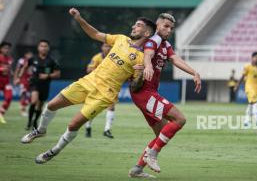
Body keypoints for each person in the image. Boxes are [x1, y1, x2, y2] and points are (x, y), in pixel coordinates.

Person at [21, 8, 156, 165]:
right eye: (134, 24)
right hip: (89, 81)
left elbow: (135, 87)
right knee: (51, 105)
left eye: (138, 25)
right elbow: (95, 34)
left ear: (146, 33)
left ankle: (53, 151)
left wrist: (139, 75)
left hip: (105, 94)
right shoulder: (121, 39)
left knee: (73, 124)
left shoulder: (142, 57)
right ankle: (40, 130)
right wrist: (79, 18)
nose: (133, 27)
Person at [128, 13, 202, 178]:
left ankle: (137, 169)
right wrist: (147, 66)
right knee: (180, 119)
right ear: (157, 25)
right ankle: (152, 155)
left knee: (162, 132)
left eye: (171, 28)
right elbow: (148, 54)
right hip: (144, 92)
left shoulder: (165, 44)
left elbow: (175, 60)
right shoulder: (153, 40)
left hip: (148, 92)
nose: (168, 30)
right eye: (165, 26)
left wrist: (194, 72)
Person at [21, 40, 61, 130]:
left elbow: (58, 74)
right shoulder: (33, 59)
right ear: (38, 47)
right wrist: (19, 77)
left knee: (40, 105)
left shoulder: (52, 61)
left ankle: (35, 121)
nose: (43, 48)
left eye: (45, 46)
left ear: (48, 48)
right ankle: (29, 122)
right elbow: (25, 67)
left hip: (45, 85)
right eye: (41, 46)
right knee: (34, 101)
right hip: (34, 83)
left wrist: (48, 75)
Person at [84, 43, 116, 139]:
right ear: (102, 48)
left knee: (112, 105)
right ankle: (88, 126)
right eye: (106, 46)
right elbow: (88, 70)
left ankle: (107, 129)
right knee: (94, 107)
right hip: (97, 85)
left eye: (110, 46)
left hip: (110, 86)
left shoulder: (115, 58)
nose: (108, 48)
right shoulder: (97, 57)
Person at [234, 52, 257, 127]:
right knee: (255, 103)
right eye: (255, 57)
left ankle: (246, 121)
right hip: (249, 86)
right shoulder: (247, 66)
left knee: (251, 104)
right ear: (252, 58)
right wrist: (237, 85)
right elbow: (242, 76)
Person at [14, 50, 33, 117]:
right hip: (23, 79)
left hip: (31, 80)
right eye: (29, 54)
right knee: (23, 93)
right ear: (26, 55)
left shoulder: (33, 61)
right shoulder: (22, 60)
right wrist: (16, 78)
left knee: (30, 95)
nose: (30, 56)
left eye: (31, 55)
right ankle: (22, 110)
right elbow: (17, 70)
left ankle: (24, 107)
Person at [0, 41, 13, 124]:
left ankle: (1, 113)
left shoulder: (10, 59)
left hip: (6, 82)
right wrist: (2, 69)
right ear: (1, 49)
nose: (7, 50)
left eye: (8, 48)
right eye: (5, 48)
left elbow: (9, 70)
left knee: (9, 97)